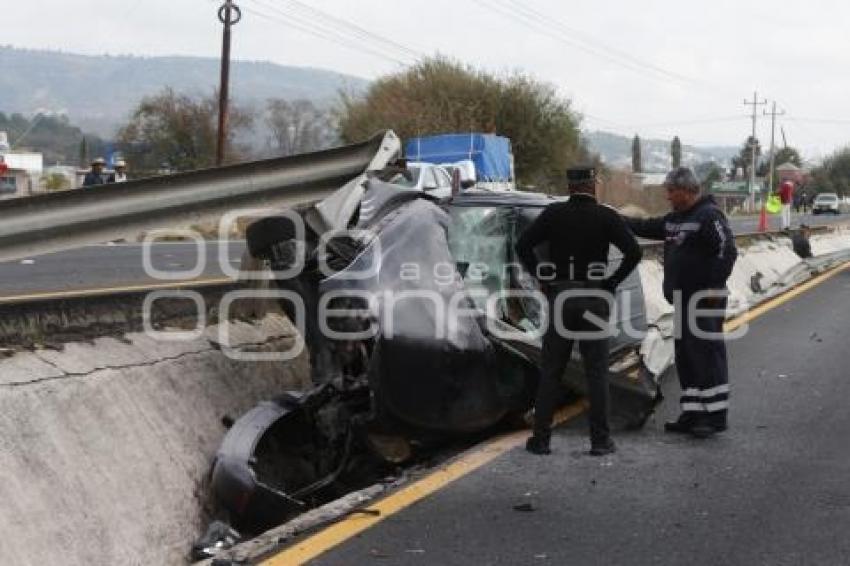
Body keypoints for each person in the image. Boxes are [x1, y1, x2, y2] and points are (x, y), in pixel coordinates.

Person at [516, 166, 642, 456]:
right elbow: (633, 252)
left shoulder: (553, 214)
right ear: (593, 186)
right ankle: (600, 441)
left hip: (562, 296)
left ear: (570, 187)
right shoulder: (607, 216)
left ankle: (541, 440)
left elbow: (522, 245)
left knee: (551, 371)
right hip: (594, 297)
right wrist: (610, 282)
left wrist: (543, 277)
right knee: (596, 372)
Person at [624, 167, 737, 438]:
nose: (668, 197)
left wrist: (713, 285)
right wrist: (616, 219)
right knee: (687, 356)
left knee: (706, 355)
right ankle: (693, 413)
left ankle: (714, 416)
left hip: (704, 299)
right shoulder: (676, 219)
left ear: (687, 191)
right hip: (683, 299)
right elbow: (648, 226)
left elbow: (727, 250)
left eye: (671, 191)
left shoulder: (709, 216)